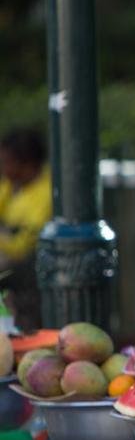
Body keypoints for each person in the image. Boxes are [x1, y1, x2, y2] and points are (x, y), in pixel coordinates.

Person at [0, 128, 51, 330]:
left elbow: (22, 247)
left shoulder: (45, 193)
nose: (2, 168)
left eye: (6, 162)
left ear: (27, 164)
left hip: (29, 266)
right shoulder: (10, 185)